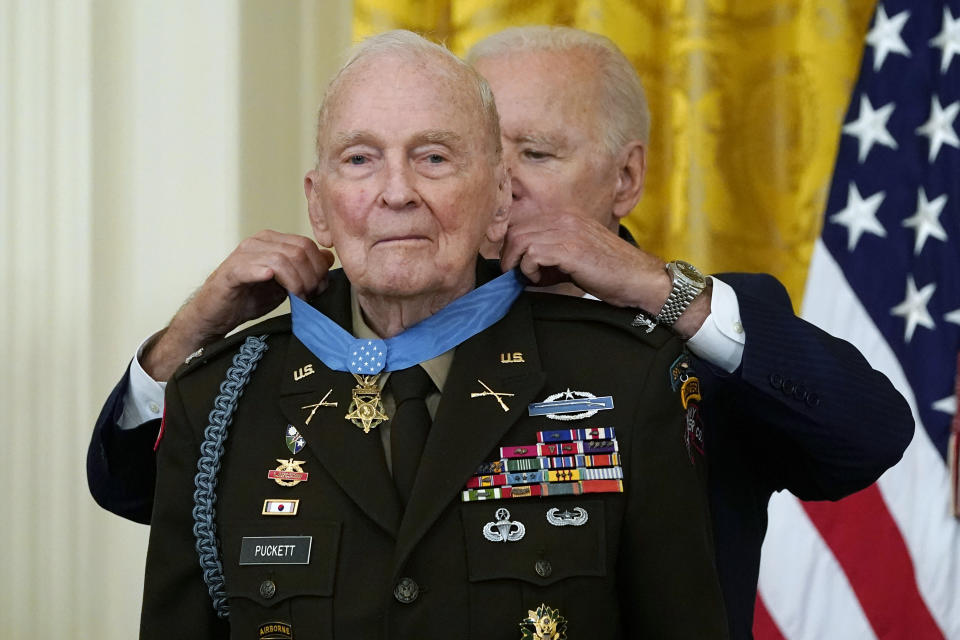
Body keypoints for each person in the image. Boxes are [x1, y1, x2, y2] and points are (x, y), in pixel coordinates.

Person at [88, 26, 914, 639]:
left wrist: (656, 290)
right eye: (482, 148)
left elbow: (865, 435)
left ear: (626, 177)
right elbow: (146, 484)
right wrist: (192, 330)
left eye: (535, 153)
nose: (506, 189)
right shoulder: (323, 335)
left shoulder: (659, 348)